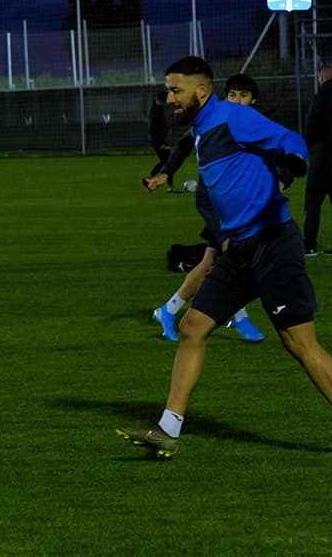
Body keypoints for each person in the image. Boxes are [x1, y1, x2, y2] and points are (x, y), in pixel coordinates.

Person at [119, 57, 332, 459]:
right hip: (239, 250)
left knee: (299, 343)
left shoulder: (233, 117)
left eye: (176, 90)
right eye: (168, 90)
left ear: (201, 91)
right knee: (192, 326)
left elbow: (292, 142)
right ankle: (168, 430)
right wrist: (165, 172)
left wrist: (286, 171)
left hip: (272, 242)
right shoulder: (201, 129)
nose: (170, 98)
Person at [147, 73, 267, 343]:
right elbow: (182, 147)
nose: (237, 100)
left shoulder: (255, 126)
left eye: (243, 96)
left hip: (238, 203)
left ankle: (169, 310)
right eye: (232, 95)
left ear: (253, 100)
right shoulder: (212, 121)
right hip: (213, 201)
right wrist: (165, 174)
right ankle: (238, 317)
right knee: (235, 258)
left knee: (211, 261)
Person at [303, 64, 332, 256]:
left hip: (322, 156)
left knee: (313, 200)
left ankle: (310, 245)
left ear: (323, 75)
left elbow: (312, 125)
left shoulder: (322, 95)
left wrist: (309, 146)